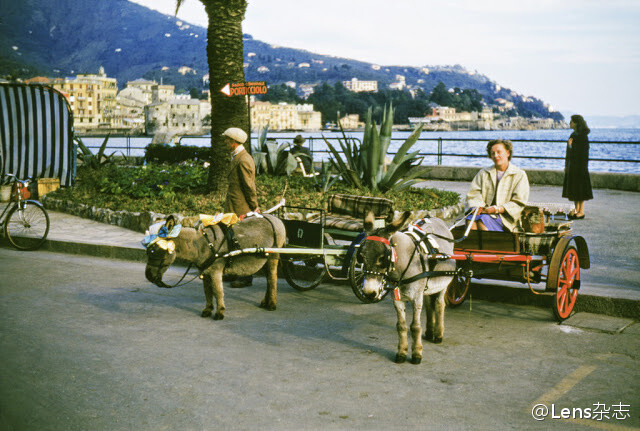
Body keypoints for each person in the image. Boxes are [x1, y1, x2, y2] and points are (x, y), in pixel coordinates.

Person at [466, 139, 530, 232]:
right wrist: (479, 207)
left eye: (499, 152)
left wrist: (497, 209)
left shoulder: (519, 174)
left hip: (505, 218)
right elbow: (474, 194)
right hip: (483, 213)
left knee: (482, 220)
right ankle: (474, 246)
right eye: (493, 153)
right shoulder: (483, 173)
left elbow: (519, 202)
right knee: (470, 220)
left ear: (508, 153)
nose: (496, 156)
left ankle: (488, 246)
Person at [222, 127, 259, 287]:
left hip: (241, 207)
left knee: (243, 241)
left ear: (233, 142)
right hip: (234, 204)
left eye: (226, 140)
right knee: (232, 239)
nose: (224, 142)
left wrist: (254, 206)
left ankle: (246, 276)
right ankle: (235, 271)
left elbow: (249, 186)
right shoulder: (237, 156)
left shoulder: (243, 159)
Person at [562, 115, 593, 219]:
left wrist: (571, 145)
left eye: (572, 121)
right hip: (574, 165)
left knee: (580, 188)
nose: (570, 123)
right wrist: (567, 165)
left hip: (580, 166)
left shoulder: (582, 136)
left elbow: (581, 152)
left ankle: (581, 211)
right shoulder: (575, 134)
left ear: (576, 123)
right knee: (575, 188)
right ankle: (576, 210)